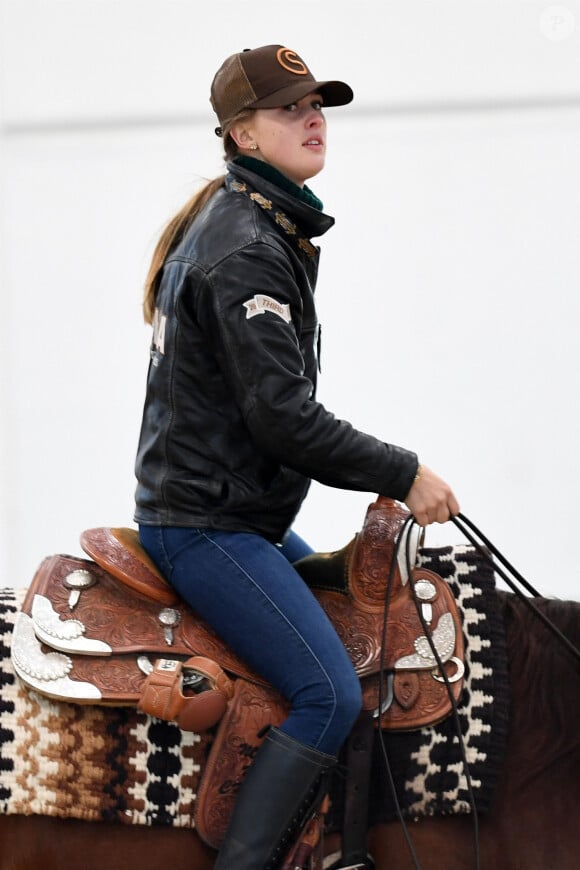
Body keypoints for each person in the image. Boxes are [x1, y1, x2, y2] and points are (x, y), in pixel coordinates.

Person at [134, 44, 459, 870]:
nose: (313, 119)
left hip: (243, 521)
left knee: (367, 637)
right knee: (328, 692)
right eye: (290, 109)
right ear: (242, 135)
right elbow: (284, 419)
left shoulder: (260, 224)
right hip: (208, 528)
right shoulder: (245, 245)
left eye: (317, 105)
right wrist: (403, 471)